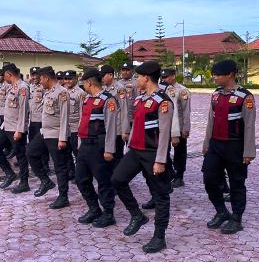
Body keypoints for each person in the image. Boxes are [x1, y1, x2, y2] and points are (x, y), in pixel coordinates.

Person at [112, 61, 174, 253]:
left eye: (138, 76)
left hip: (153, 153)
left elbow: (164, 133)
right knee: (117, 179)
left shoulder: (163, 102)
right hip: (136, 151)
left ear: (146, 78)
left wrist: (161, 160)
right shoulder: (139, 99)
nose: (136, 79)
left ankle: (159, 237)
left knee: (160, 196)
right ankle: (137, 215)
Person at [202, 60, 256, 235]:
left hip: (235, 146)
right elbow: (211, 120)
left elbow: (249, 126)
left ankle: (237, 218)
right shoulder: (216, 95)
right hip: (216, 145)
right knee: (209, 178)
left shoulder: (244, 97)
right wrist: (206, 143)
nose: (215, 78)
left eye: (218, 75)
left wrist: (248, 151)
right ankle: (221, 211)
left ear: (231, 74)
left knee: (236, 183)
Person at [75, 68, 119, 228]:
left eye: (84, 83)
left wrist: (109, 149)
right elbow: (83, 122)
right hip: (85, 145)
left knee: (103, 181)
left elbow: (111, 126)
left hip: (98, 146)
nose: (83, 87)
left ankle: (108, 213)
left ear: (89, 82)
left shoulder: (108, 100)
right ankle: (94, 208)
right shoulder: (87, 99)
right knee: (81, 179)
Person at [28, 66, 71, 208]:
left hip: (56, 134)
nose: (39, 82)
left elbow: (65, 117)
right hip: (45, 132)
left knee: (60, 166)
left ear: (46, 78)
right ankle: (46, 181)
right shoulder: (48, 92)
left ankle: (63, 197)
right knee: (31, 153)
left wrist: (63, 138)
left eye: (40, 79)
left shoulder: (62, 93)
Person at [0, 63, 30, 193]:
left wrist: (20, 130)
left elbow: (23, 111)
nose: (3, 77)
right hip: (6, 126)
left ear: (9, 74)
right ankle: (9, 173)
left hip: (16, 128)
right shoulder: (11, 87)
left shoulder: (23, 87)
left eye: (4, 75)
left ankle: (24, 182)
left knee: (20, 155)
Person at [160, 68, 191, 188]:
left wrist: (185, 128)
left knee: (180, 152)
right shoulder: (161, 89)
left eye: (167, 77)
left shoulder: (182, 91)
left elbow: (186, 111)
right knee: (164, 151)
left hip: (179, 126)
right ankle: (170, 173)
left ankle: (179, 176)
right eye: (163, 77)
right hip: (165, 126)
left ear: (173, 76)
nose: (164, 79)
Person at [100, 64, 126, 166]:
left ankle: (121, 180)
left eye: (103, 76)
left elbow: (124, 109)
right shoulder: (104, 88)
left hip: (117, 128)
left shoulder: (119, 89)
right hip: (107, 126)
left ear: (110, 75)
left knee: (117, 156)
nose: (102, 78)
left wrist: (125, 130)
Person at [64, 70, 86, 181]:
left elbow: (83, 113)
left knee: (78, 154)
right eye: (66, 79)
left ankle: (81, 175)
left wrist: (80, 129)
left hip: (75, 128)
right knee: (66, 153)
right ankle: (71, 172)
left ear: (75, 79)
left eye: (70, 79)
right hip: (65, 128)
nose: (67, 81)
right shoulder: (63, 92)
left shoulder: (80, 93)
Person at [28, 67, 50, 173]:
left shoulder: (44, 87)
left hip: (41, 119)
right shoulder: (30, 86)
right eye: (32, 74)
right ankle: (36, 164)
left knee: (43, 144)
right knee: (32, 142)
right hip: (32, 119)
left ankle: (45, 164)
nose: (34, 77)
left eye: (36, 74)